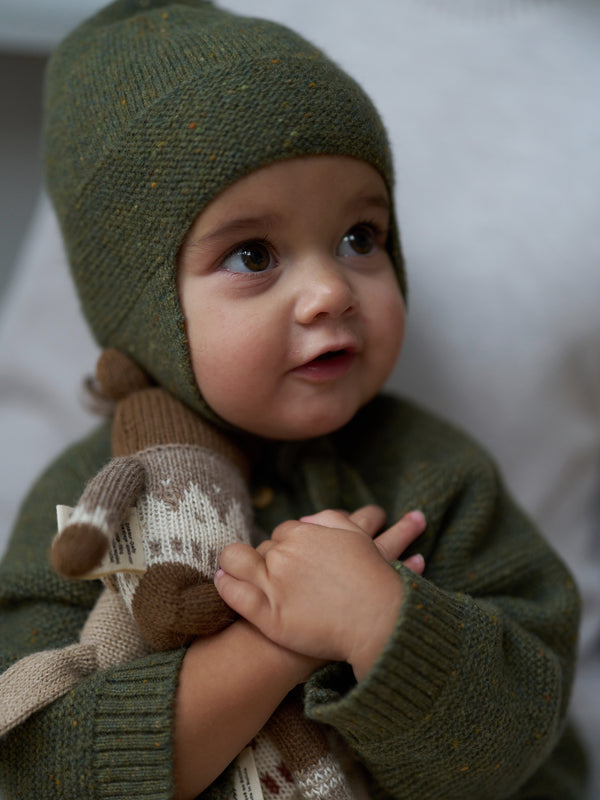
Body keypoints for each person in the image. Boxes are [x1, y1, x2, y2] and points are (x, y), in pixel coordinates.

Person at [0, 1, 587, 799]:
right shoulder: (86, 508)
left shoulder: (435, 475)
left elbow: (522, 735)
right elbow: (40, 768)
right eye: (254, 254)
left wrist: (381, 623)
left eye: (360, 238)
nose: (329, 291)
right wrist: (278, 646)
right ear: (146, 310)